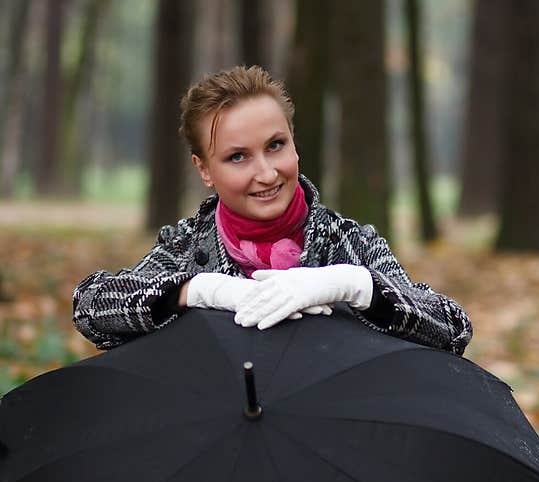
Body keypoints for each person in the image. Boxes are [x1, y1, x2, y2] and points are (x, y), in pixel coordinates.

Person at [72, 65, 472, 355]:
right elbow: (90, 307)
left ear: (294, 142)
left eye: (276, 145)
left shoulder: (348, 243)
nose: (266, 173)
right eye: (237, 157)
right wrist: (198, 290)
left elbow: (452, 329)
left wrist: (353, 284)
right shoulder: (186, 248)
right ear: (204, 169)